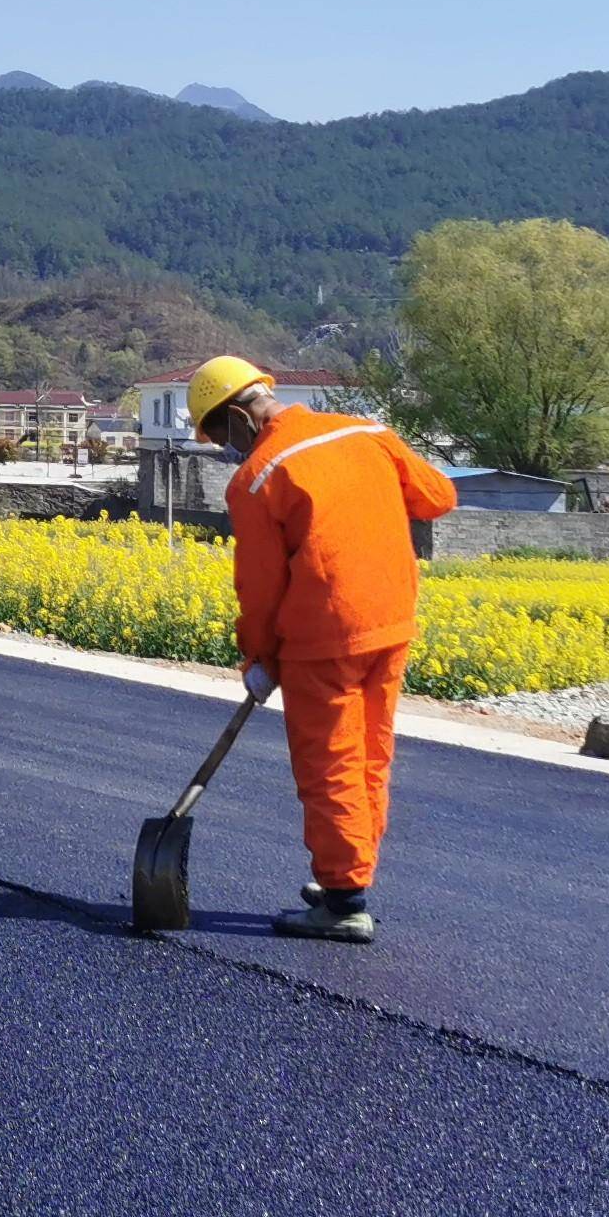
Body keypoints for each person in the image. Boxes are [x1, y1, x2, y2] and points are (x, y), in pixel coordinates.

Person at [187, 354, 457, 944]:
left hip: (322, 637)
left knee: (329, 763)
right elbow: (437, 497)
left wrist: (257, 658)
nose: (225, 450)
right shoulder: (368, 432)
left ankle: (342, 901)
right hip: (390, 622)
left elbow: (259, 588)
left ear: (237, 415)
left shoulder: (257, 477)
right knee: (370, 754)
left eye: (219, 435)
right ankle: (350, 872)